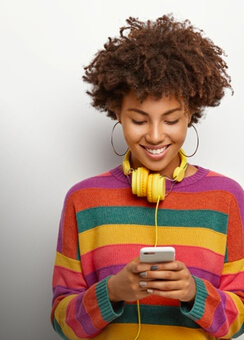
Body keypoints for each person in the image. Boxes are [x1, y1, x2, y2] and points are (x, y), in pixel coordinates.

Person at [51, 14, 244, 340]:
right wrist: (112, 291)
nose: (155, 136)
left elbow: (238, 322)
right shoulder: (82, 200)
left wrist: (193, 293)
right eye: (139, 120)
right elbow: (62, 323)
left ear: (191, 114)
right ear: (117, 113)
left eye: (171, 120)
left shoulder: (226, 198)